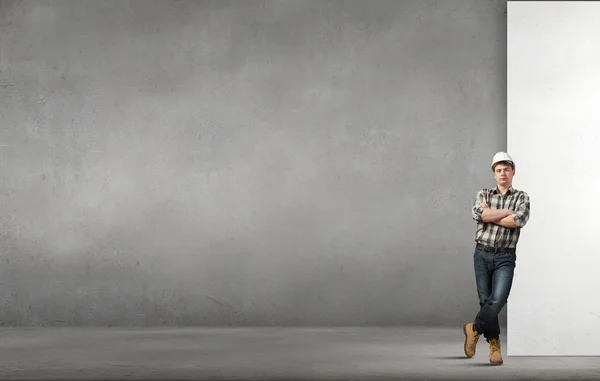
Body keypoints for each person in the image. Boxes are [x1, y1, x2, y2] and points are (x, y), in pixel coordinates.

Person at [463, 152, 531, 365]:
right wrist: (504, 212)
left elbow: (517, 222)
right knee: (485, 301)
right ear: (494, 174)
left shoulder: (522, 197)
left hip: (505, 257)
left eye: (506, 170)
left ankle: (473, 329)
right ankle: (495, 345)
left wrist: (492, 214)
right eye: (499, 170)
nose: (503, 174)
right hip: (482, 254)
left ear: (513, 172)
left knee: (498, 299)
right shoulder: (483, 194)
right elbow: (479, 215)